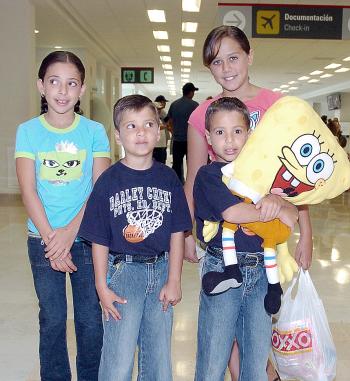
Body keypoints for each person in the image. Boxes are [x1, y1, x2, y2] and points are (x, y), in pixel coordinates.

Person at [183, 25, 313, 380]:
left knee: (257, 333)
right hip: (223, 238)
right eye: (216, 61)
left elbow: (296, 179)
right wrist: (183, 232)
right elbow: (195, 175)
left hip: (268, 240)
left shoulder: (277, 107)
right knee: (220, 338)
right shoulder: (203, 114)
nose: (226, 68)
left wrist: (305, 231)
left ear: (250, 55)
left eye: (233, 57)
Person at [78, 94, 192, 380]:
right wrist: (101, 286)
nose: (141, 132)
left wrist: (175, 280)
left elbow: (178, 232)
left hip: (162, 270)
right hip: (123, 273)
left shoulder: (169, 179)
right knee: (118, 356)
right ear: (117, 135)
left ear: (159, 131)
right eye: (131, 126)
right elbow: (99, 239)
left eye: (148, 124)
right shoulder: (108, 181)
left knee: (158, 357)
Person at [15, 51, 111, 380]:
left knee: (89, 318)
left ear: (82, 89)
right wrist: (52, 239)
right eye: (54, 82)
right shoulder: (28, 131)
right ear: (41, 86)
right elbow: (28, 190)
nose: (62, 91)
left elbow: (99, 190)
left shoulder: (95, 131)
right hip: (41, 239)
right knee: (53, 318)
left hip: (86, 239)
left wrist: (70, 233)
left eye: (71, 83)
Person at [193, 97, 298, 381]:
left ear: (249, 133)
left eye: (237, 131)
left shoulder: (263, 178)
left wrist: (278, 202)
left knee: (256, 357)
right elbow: (233, 212)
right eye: (220, 132)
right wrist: (269, 207)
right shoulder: (209, 175)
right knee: (213, 356)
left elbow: (291, 216)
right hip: (222, 271)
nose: (229, 140)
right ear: (208, 138)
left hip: (263, 272)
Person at [167, 82, 199, 183]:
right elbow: (198, 124)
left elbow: (169, 122)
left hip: (177, 140)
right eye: (193, 91)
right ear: (190, 92)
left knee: (177, 164)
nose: (193, 94)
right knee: (191, 163)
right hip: (190, 141)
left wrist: (173, 132)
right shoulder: (195, 105)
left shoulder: (174, 104)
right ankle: (191, 183)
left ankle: (178, 183)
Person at [153, 95, 170, 164]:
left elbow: (167, 121)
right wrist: (165, 126)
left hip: (161, 143)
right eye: (158, 109)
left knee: (162, 159)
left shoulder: (161, 113)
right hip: (157, 145)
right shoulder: (152, 117)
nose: (160, 110)